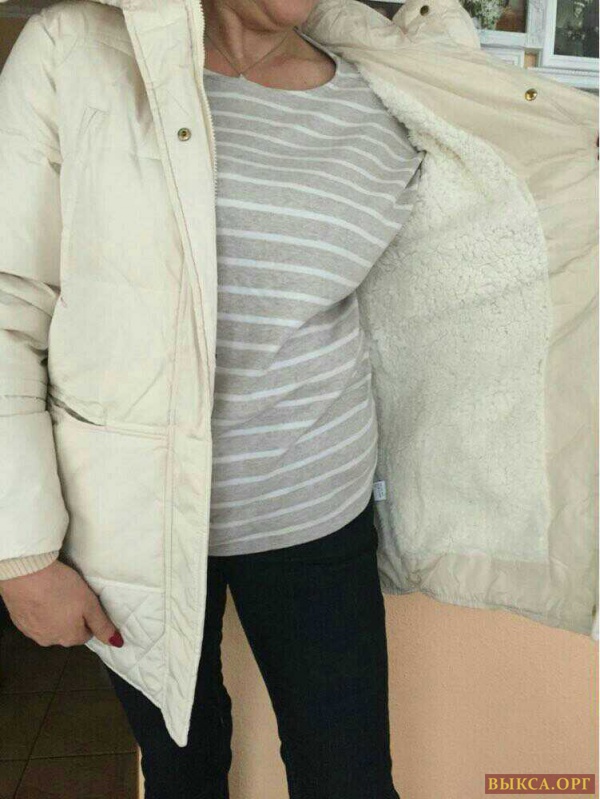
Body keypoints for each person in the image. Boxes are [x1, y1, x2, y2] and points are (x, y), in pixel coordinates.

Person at [0, 0, 597, 797]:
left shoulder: (380, 96)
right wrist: (22, 551)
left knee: (349, 777)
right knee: (183, 772)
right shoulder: (77, 52)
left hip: (320, 516)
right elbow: (9, 300)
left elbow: (458, 266)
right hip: (130, 524)